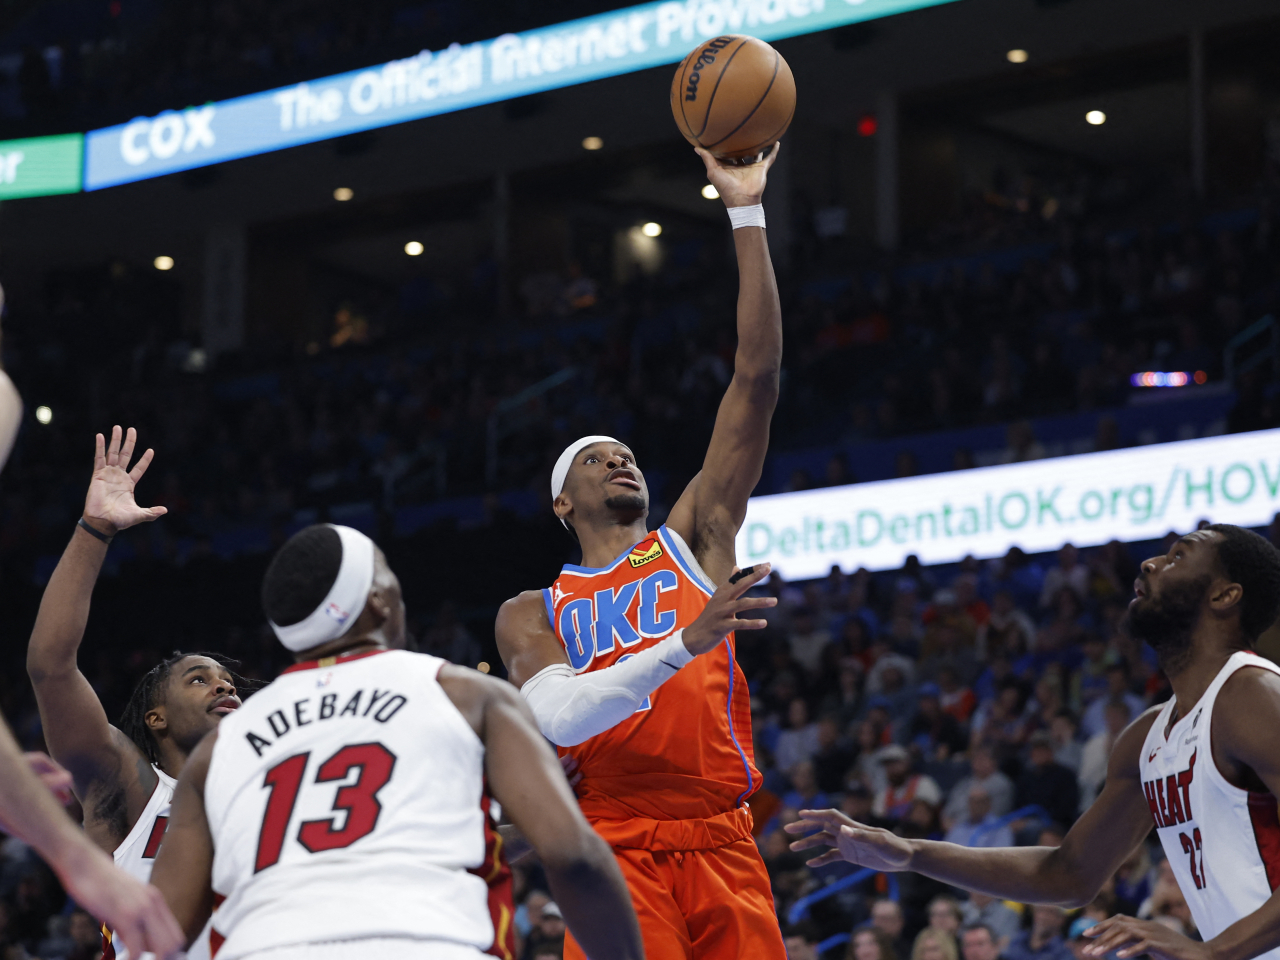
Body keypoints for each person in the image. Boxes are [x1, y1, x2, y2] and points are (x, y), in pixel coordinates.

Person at [494, 145, 786, 959]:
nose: (620, 459)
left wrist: (746, 210)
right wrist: (688, 640)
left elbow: (757, 378)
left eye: (626, 452)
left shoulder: (694, 539)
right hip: (614, 838)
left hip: (723, 834)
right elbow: (558, 718)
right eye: (596, 457)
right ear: (563, 501)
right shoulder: (531, 612)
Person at [151, 524, 643, 960]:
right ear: (380, 600)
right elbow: (575, 858)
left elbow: (162, 930)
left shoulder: (221, 748)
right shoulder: (465, 694)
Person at [786, 525, 1280, 960]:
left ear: (1224, 596)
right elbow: (1067, 875)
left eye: (1178, 557)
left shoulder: (1252, 696)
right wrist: (911, 852)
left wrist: (1215, 952)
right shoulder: (1147, 739)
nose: (1150, 562)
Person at [25, 427, 243, 960]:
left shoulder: (273, 793)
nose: (222, 684)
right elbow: (51, 668)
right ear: (156, 718)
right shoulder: (132, 787)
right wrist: (94, 530)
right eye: (198, 679)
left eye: (227, 681)